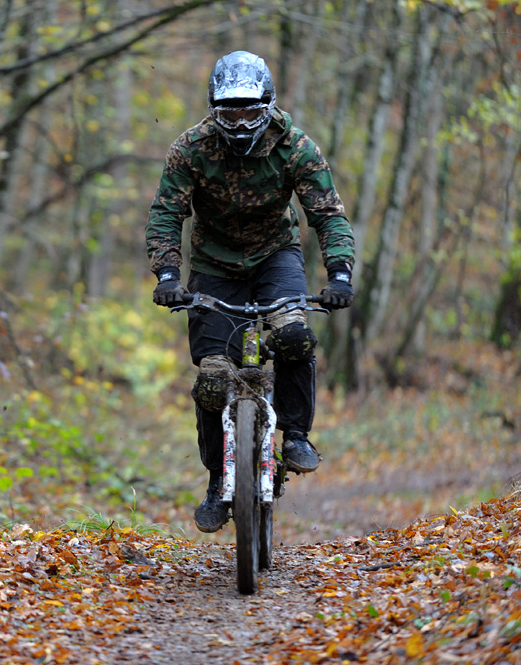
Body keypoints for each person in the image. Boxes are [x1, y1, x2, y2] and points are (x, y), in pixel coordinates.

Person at [145, 51, 355, 533]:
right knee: (213, 379)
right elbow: (166, 213)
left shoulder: (296, 146)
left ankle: (296, 435)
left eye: (249, 112)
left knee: (294, 336)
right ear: (214, 110)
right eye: (230, 113)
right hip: (213, 265)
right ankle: (218, 480)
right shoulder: (190, 149)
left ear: (268, 106)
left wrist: (340, 274)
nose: (240, 123)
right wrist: (167, 276)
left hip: (275, 257)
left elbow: (327, 213)